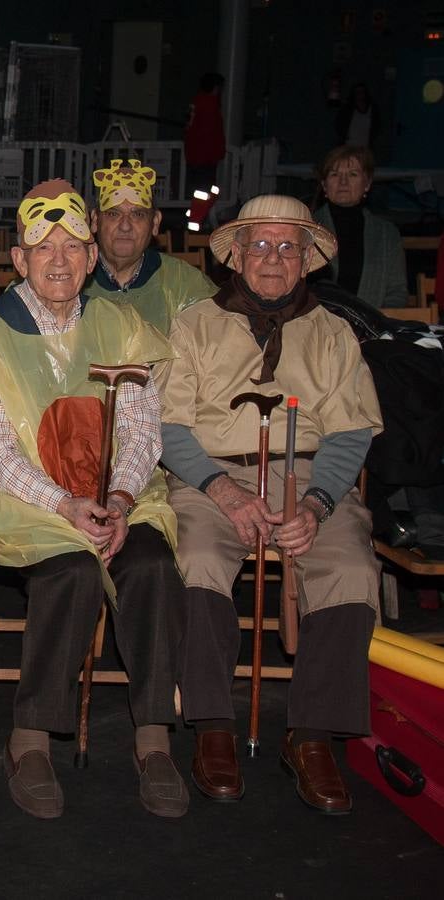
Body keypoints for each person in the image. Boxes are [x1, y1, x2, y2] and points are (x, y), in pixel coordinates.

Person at [0, 179, 188, 820]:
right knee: (73, 571)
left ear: (90, 258)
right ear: (19, 259)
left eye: (73, 245)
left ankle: (153, 736)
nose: (60, 259)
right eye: (42, 246)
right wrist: (65, 505)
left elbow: (142, 426)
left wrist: (118, 493)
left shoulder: (122, 325)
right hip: (28, 506)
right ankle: (30, 738)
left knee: (152, 564)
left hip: (120, 496)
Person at [160, 194, 382, 814]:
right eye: (261, 245)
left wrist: (314, 503)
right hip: (212, 477)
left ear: (307, 260)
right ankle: (211, 725)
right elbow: (170, 426)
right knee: (199, 556)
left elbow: (351, 431)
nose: (274, 259)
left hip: (309, 478)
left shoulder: (334, 333)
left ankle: (310, 736)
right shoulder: (194, 325)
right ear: (238, 254)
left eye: (289, 247)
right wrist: (222, 490)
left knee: (352, 569)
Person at [86, 158, 217, 334]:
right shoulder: (72, 280)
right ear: (95, 220)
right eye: (113, 213)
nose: (125, 226)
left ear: (155, 222)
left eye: (137, 214)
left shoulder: (184, 283)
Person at [312, 145, 408, 309]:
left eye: (353, 174)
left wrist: (376, 323)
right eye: (335, 174)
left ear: (367, 184)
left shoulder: (387, 234)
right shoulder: (308, 228)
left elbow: (397, 293)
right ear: (324, 185)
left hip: (373, 328)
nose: (343, 181)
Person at [184, 73, 225, 198]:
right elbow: (211, 133)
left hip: (194, 155)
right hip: (205, 158)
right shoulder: (210, 105)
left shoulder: (197, 102)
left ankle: (197, 215)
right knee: (204, 192)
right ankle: (200, 216)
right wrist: (218, 153)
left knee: (196, 191)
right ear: (216, 87)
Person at [335, 83, 380, 152]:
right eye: (357, 92)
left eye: (362, 91)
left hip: (365, 148)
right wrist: (344, 135)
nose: (360, 94)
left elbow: (377, 127)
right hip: (349, 146)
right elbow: (338, 124)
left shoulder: (372, 110)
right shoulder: (347, 109)